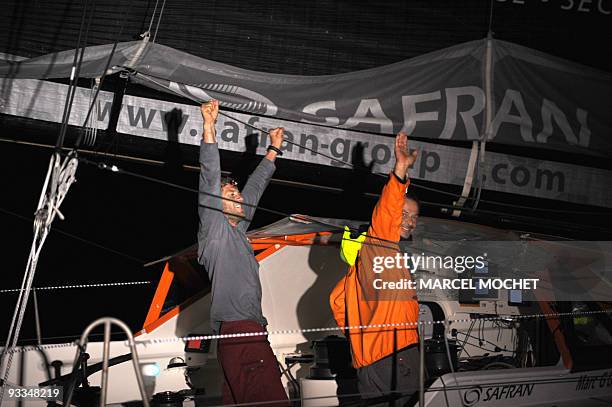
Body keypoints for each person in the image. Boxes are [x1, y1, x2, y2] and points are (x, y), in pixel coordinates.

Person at [197, 99, 289, 405]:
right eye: (231, 195)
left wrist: (273, 150)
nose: (239, 197)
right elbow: (209, 179)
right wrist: (209, 127)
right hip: (241, 334)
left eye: (237, 194)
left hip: (241, 336)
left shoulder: (237, 230)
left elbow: (256, 187)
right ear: (217, 206)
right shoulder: (215, 229)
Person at [330, 132, 420, 406]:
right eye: (404, 214)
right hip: (396, 355)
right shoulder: (380, 244)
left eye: (414, 218)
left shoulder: (358, 270)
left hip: (370, 365)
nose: (409, 222)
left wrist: (363, 335)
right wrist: (400, 171)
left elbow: (336, 302)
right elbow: (386, 214)